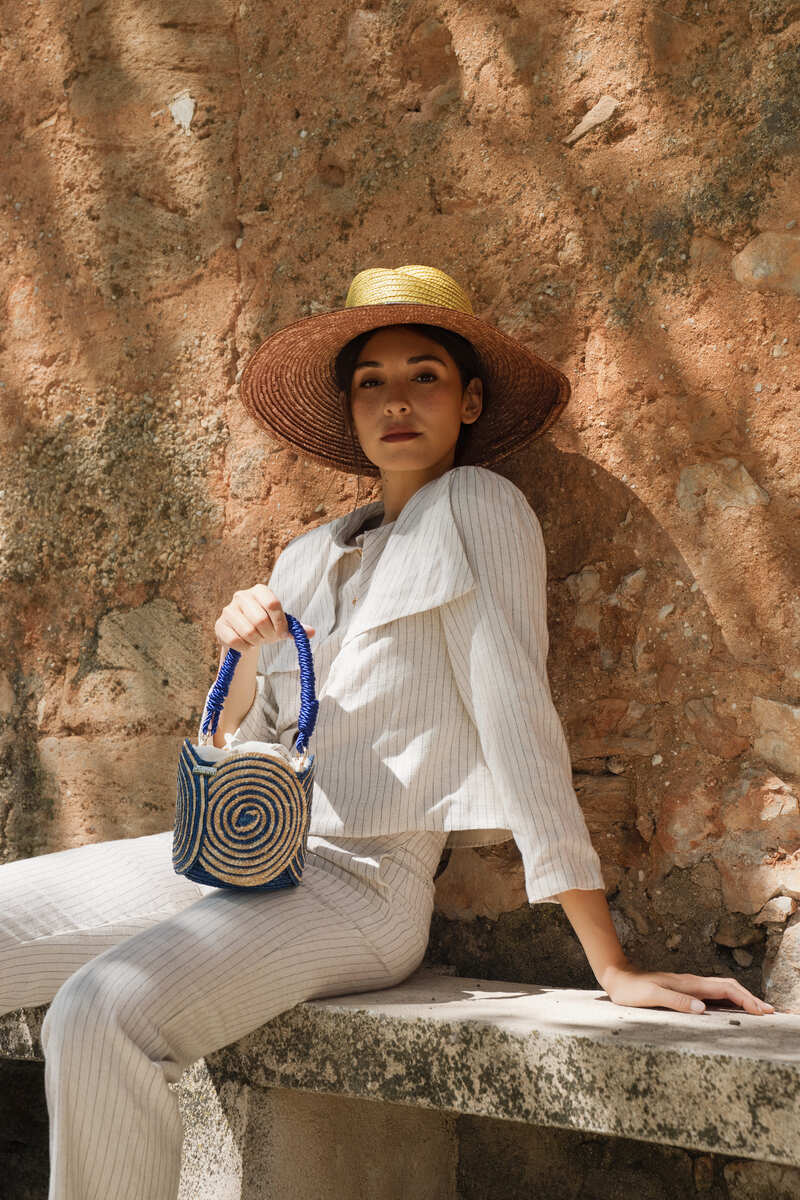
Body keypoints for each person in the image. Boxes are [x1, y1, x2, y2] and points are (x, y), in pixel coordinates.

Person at [0, 264, 774, 1200]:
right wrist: (239, 658)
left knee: (98, 1011)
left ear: (470, 401)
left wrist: (609, 965)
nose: (396, 400)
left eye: (424, 376)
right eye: (371, 381)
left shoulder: (479, 507)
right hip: (243, 858)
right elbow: (256, 747)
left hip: (362, 890)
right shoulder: (305, 556)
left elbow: (518, 720)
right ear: (351, 409)